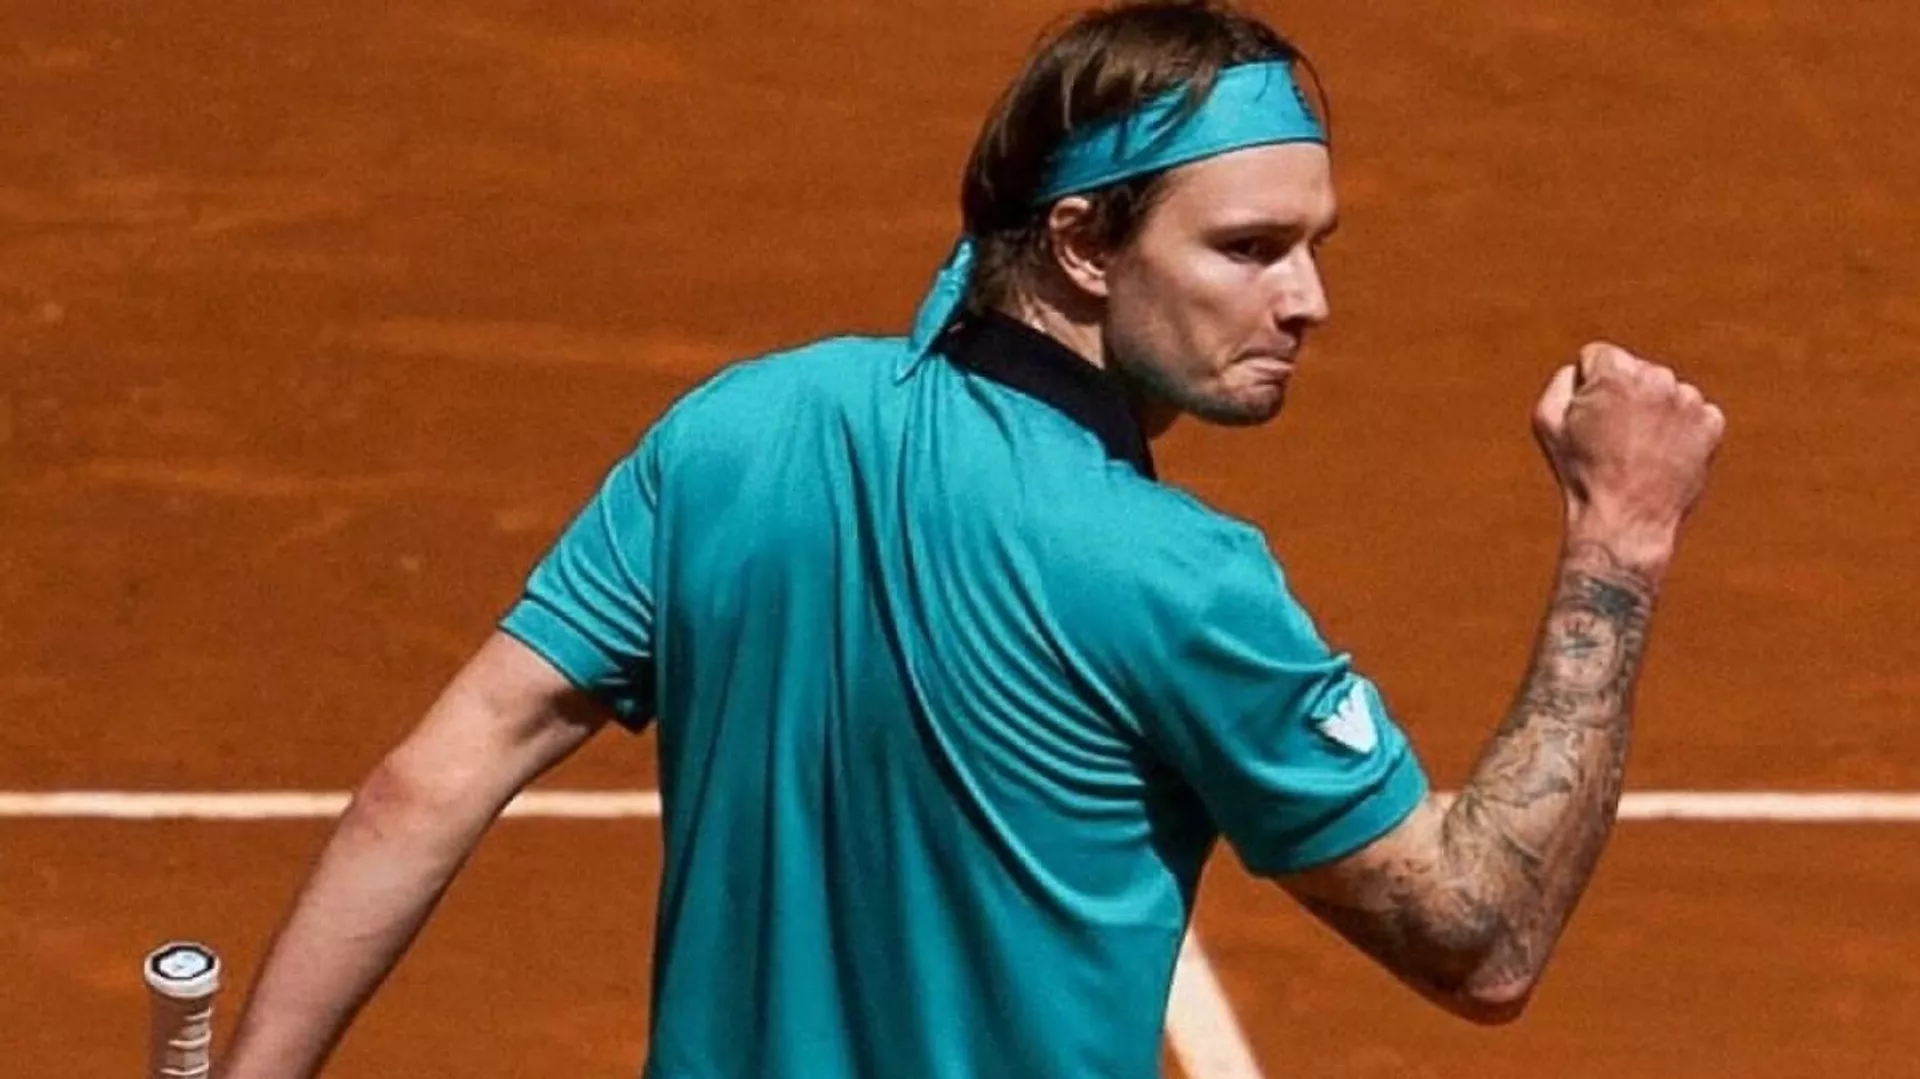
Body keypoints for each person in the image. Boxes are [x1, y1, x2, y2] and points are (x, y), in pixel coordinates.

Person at [221, 2, 1726, 1077]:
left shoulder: (735, 429)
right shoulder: (1180, 578)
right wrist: (1620, 538)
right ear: (1082, 243)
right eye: (1250, 249)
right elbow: (1481, 939)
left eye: (1314, 245)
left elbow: (429, 781)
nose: (1308, 301)